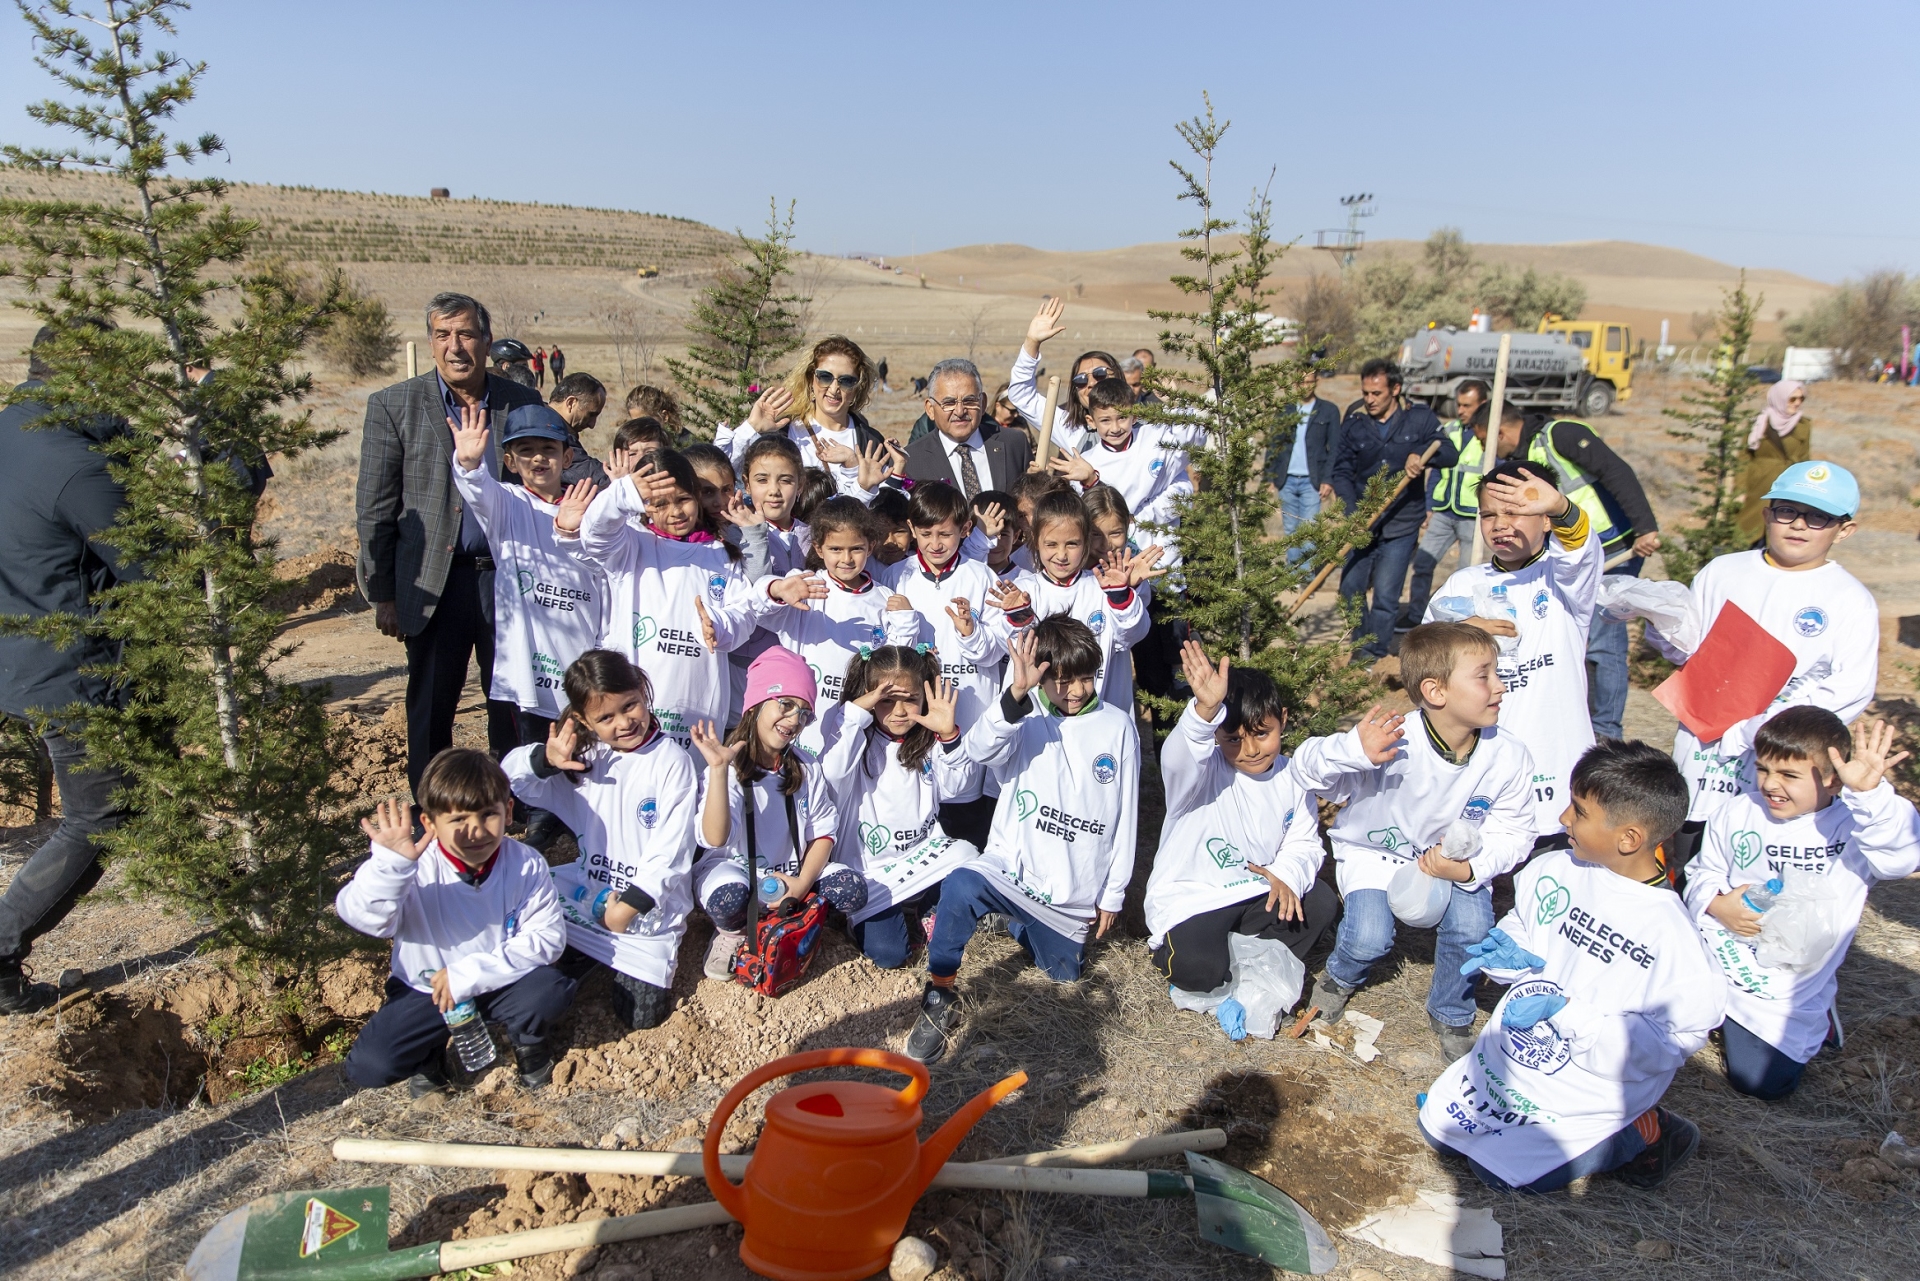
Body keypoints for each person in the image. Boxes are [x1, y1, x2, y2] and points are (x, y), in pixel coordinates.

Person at [1419, 740, 1723, 1193]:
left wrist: (1567, 1013)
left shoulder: (1673, 940)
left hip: (1588, 1087)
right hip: (1518, 1058)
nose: (1562, 819)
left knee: (1495, 1174)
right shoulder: (1558, 868)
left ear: (1629, 838)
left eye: (1578, 811)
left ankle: (1641, 1132)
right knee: (1437, 1133)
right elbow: (1527, 923)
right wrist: (1510, 953)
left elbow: (1667, 1044)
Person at [1291, 623, 1539, 1059]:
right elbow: (1307, 770)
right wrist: (1354, 750)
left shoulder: (1509, 755)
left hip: (1453, 861)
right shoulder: (1392, 740)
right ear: (1435, 691)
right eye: (1484, 676)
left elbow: (1516, 830)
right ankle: (1340, 977)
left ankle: (1452, 1010)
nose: (1500, 686)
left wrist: (1468, 869)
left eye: (1497, 673)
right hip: (1376, 853)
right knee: (1369, 937)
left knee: (1472, 928)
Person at [906, 621, 1141, 1064]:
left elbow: (1126, 814)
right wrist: (1015, 695)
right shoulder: (1022, 714)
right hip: (1011, 868)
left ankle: (1015, 924)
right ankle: (940, 994)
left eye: (1085, 678)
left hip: (1070, 892)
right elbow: (979, 750)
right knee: (961, 884)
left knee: (1064, 975)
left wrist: (1114, 892)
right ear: (1042, 676)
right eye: (1062, 680)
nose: (1074, 691)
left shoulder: (1118, 727)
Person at [356, 293, 546, 804]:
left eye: (465, 334)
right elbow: (375, 510)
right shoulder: (393, 406)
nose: (455, 347)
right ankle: (432, 811)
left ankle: (517, 804)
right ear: (430, 342)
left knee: (513, 700)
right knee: (431, 705)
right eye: (442, 335)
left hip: (509, 581)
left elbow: (550, 485)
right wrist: (384, 593)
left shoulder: (522, 404)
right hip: (433, 583)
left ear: (486, 341)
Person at [1146, 644, 1394, 1024]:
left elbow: (1304, 842)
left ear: (1283, 720)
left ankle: (1240, 950)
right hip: (1198, 895)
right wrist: (1204, 713)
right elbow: (1179, 756)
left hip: (1255, 892)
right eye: (1232, 739)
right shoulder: (1199, 774)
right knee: (1199, 972)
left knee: (1321, 902)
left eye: (1262, 733)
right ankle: (1187, 948)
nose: (1249, 750)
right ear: (1215, 737)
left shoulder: (1292, 775)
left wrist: (1286, 876)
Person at [0, 323, 134, 1014]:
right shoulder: (76, 465)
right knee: (99, 814)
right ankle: (1, 948)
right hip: (75, 673)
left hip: (22, 654)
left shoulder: (11, 430)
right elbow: (147, 567)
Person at [1686, 709, 1918, 1101]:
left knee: (1762, 1083)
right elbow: (1703, 870)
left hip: (1789, 978)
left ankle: (1816, 1018)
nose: (1771, 785)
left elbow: (1901, 857)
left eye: (1789, 776)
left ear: (1831, 779)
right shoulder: (1739, 811)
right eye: (1763, 769)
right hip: (1722, 948)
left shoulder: (1853, 826)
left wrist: (1869, 795)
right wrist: (1717, 904)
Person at [1638, 461, 1875, 821]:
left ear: (1844, 530)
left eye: (1817, 517)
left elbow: (1850, 688)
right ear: (1767, 514)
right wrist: (1661, 621)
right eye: (1787, 511)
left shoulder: (1849, 599)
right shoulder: (1724, 571)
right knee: (1695, 849)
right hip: (1705, 757)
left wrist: (1764, 729)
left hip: (1784, 772)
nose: (1798, 524)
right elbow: (1690, 654)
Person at [337, 751, 574, 1093]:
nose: (475, 831)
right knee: (372, 1067)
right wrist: (390, 867)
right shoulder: (413, 867)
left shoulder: (525, 863)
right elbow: (365, 919)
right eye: (458, 820)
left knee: (548, 991)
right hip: (427, 989)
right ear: (430, 824)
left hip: (496, 983)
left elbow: (548, 938)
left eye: (488, 815)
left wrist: (467, 976)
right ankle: (427, 1058)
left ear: (508, 812)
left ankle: (528, 1042)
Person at [503, 651, 699, 1031]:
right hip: (586, 894)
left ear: (643, 692)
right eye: (606, 718)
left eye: (631, 706)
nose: (625, 723)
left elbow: (671, 852)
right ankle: (580, 953)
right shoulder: (585, 758)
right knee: (524, 914)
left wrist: (626, 909)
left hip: (644, 914)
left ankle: (598, 954)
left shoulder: (671, 761)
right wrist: (545, 760)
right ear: (583, 720)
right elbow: (508, 783)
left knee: (640, 1018)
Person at [449, 403, 607, 847]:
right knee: (538, 730)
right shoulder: (508, 504)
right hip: (531, 646)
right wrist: (467, 463)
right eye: (526, 450)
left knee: (588, 727)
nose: (539, 459)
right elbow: (477, 489)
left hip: (581, 638)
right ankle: (541, 811)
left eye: (548, 449)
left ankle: (586, 810)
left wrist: (576, 528)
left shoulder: (589, 504)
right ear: (510, 461)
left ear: (567, 456)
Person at [1424, 461, 1601, 834]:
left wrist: (1562, 507)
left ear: (1547, 519)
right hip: (1485, 768)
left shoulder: (1564, 579)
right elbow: (1421, 666)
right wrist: (1461, 634)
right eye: (1489, 514)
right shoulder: (1463, 585)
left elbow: (1581, 550)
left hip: (1557, 763)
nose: (1500, 524)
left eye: (1517, 511)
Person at [688, 648, 865, 982]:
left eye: (804, 713)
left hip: (791, 876)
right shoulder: (726, 764)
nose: (794, 720)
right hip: (739, 872)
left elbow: (824, 833)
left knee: (851, 889)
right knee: (729, 899)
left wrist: (799, 886)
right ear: (755, 704)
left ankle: (793, 919)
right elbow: (715, 838)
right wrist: (718, 772)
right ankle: (732, 933)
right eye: (785, 704)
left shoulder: (806, 767)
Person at [1489, 403, 1661, 741]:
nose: (1487, 452)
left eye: (1487, 442)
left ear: (1502, 432)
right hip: (1568, 556)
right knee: (1575, 639)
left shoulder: (1560, 435)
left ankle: (1606, 732)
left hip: (1611, 547)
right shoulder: (1520, 458)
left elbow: (1616, 471)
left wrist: (1645, 527)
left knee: (1603, 642)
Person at [566, 448, 758, 750]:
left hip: (700, 706)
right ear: (645, 507)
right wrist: (624, 492)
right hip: (635, 706)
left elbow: (745, 613)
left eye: (683, 499)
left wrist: (719, 626)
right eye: (660, 504)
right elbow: (594, 533)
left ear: (696, 496)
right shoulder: (630, 545)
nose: (676, 513)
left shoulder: (721, 555)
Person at [817, 648, 982, 968]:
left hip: (922, 859)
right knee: (891, 955)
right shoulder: (853, 737)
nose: (900, 711)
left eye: (910, 698)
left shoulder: (929, 740)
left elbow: (957, 787)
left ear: (924, 695)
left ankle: (923, 910)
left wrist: (948, 735)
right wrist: (854, 713)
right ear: (868, 698)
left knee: (968, 857)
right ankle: (861, 919)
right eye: (886, 700)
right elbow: (833, 773)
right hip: (872, 875)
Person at [880, 482, 1013, 846]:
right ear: (911, 529)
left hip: (969, 709)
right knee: (918, 800)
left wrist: (970, 633)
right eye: (925, 534)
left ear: (965, 530)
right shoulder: (896, 578)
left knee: (965, 808)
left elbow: (995, 653)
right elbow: (886, 657)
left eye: (945, 534)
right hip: (915, 715)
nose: (935, 544)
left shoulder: (982, 577)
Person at [753, 497, 919, 753]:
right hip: (801, 725)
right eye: (835, 549)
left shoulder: (886, 599)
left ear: (871, 546)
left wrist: (907, 624)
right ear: (819, 549)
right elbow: (758, 611)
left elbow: (894, 670)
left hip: (858, 728)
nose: (847, 559)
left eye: (856, 548)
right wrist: (776, 590)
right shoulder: (803, 585)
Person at [1330, 359, 1455, 663]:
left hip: (1401, 524)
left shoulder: (1420, 419)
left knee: (1386, 595)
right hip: (1363, 522)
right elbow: (1342, 470)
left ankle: (1374, 654)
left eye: (1377, 393)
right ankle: (1360, 645)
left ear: (1395, 390)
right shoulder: (1355, 420)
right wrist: (1351, 512)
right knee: (1350, 588)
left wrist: (1423, 458)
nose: (1370, 400)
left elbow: (1449, 453)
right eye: (1366, 393)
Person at [1003, 489, 1161, 712]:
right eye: (1051, 544)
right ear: (1035, 541)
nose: (1061, 555)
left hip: (1098, 715)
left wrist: (1122, 597)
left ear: (1085, 541)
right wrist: (1018, 617)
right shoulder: (1024, 590)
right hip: (1039, 722)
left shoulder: (1104, 587)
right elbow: (1007, 647)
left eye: (1072, 544)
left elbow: (1131, 636)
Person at [728, 337, 887, 494]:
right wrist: (751, 428)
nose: (834, 389)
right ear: (811, 380)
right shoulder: (784, 433)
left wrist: (853, 465)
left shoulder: (871, 442)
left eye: (846, 381)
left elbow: (883, 505)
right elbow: (723, 473)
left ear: (857, 388)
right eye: (825, 377)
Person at [1400, 379, 1488, 625]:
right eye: (1459, 405)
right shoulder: (1448, 431)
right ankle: (1415, 616)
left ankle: (1460, 622)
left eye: (1467, 405)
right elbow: (1436, 471)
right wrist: (1429, 506)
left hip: (1473, 515)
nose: (1460, 410)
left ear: (1483, 404)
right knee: (1423, 564)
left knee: (1466, 574)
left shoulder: (1491, 436)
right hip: (1443, 511)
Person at [1005, 297, 1126, 455]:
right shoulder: (1071, 429)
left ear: (1117, 376)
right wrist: (1032, 342)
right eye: (1081, 380)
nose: (1091, 383)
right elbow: (1022, 395)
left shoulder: (1148, 423)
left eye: (1100, 374)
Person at [902, 358, 1033, 496]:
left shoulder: (1014, 444)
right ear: (930, 409)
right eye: (949, 403)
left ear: (982, 404)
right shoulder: (912, 462)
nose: (960, 411)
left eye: (969, 401)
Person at [1268, 366, 1343, 559]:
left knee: (1309, 532)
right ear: (1294, 384)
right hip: (1287, 479)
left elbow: (1334, 448)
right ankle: (1293, 579)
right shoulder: (1285, 410)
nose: (1305, 386)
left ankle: (1307, 579)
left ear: (1316, 382)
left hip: (1313, 481)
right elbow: (1274, 443)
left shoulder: (1328, 411)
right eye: (1301, 382)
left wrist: (1328, 479)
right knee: (1291, 531)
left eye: (1309, 382)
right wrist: (1269, 477)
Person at [1736, 380, 1811, 548]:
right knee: (1748, 530)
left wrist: (1804, 489)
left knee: (1781, 531)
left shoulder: (1804, 425)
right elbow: (1743, 458)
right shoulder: (1759, 423)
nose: (1797, 403)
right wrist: (1740, 490)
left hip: (1788, 485)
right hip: (1758, 484)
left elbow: (1805, 458)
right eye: (1792, 399)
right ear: (1780, 398)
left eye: (1801, 399)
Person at [547, 371, 609, 488]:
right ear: (571, 403)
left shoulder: (541, 418)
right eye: (591, 415)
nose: (592, 425)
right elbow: (584, 470)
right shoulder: (551, 432)